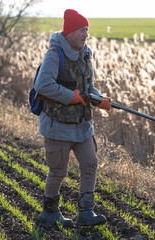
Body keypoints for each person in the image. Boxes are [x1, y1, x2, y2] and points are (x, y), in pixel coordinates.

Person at [34, 9, 112, 227]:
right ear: (70, 32)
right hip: (58, 126)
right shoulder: (54, 55)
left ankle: (86, 212)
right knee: (58, 171)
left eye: (87, 30)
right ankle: (49, 213)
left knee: (90, 163)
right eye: (82, 30)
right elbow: (42, 85)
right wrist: (71, 97)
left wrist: (100, 100)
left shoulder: (86, 54)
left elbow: (89, 87)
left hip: (82, 126)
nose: (86, 34)